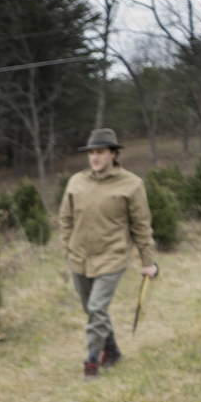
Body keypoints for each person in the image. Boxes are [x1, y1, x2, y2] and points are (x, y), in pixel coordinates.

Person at [59, 128, 158, 379]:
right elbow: (65, 219)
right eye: (92, 152)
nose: (95, 157)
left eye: (100, 152)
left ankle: (92, 359)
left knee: (97, 307)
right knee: (93, 310)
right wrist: (67, 249)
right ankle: (112, 351)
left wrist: (148, 262)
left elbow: (141, 225)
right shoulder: (76, 182)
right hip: (79, 257)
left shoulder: (132, 184)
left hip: (112, 257)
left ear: (114, 154)